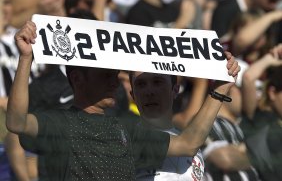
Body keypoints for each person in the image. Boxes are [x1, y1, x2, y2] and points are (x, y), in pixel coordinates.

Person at [6, 20, 240, 180]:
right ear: (77, 78)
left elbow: (188, 144)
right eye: (106, 76)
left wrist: (220, 87)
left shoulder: (126, 130)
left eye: (116, 75)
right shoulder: (58, 124)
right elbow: (16, 122)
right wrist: (26, 58)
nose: (115, 83)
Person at [129, 72, 205, 180]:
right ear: (133, 95)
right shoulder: (124, 138)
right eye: (141, 84)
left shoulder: (197, 151)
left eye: (157, 82)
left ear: (175, 90)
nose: (149, 92)